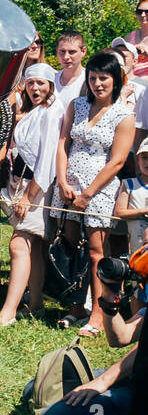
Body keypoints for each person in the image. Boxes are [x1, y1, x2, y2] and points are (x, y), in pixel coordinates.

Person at [56, 49, 135, 336]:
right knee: (69, 246)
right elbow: (63, 142)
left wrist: (89, 192)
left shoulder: (123, 115)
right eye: (92, 78)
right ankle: (76, 307)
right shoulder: (76, 105)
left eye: (103, 78)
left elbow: (117, 161)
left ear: (115, 80)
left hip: (99, 189)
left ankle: (98, 316)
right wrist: (63, 182)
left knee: (95, 252)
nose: (97, 84)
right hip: (69, 184)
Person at [0, 63, 62, 327]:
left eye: (41, 83)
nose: (35, 88)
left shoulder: (53, 113)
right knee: (34, 249)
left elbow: (46, 161)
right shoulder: (34, 111)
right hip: (19, 184)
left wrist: (28, 196)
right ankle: (36, 306)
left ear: (51, 85)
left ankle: (7, 311)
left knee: (18, 244)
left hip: (36, 189)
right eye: (31, 83)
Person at [54, 31, 87, 110]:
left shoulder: (89, 80)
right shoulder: (52, 79)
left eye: (72, 52)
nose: (66, 57)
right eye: (62, 51)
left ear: (83, 51)